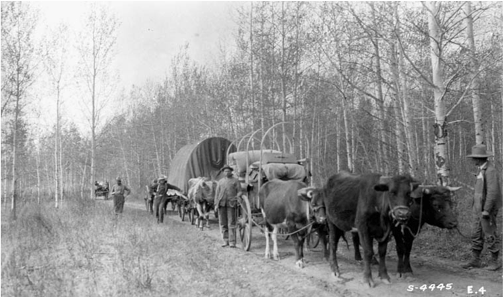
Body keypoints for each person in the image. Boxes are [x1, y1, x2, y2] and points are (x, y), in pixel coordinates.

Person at [462, 144, 502, 271]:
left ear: (480, 158)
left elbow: (493, 192)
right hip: (477, 208)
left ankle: (494, 261)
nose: (473, 160)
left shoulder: (490, 171)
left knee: (489, 233)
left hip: (486, 209)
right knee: (476, 233)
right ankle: (475, 260)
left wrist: (487, 210)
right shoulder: (481, 169)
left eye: (474, 158)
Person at [214, 165, 242, 248]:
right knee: (223, 223)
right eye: (225, 171)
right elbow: (217, 194)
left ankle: (232, 242)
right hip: (221, 204)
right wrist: (216, 204)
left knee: (231, 223)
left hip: (231, 204)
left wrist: (238, 196)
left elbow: (240, 191)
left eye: (228, 171)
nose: (227, 172)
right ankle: (225, 240)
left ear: (231, 172)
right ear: (223, 172)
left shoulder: (235, 181)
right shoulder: (220, 181)